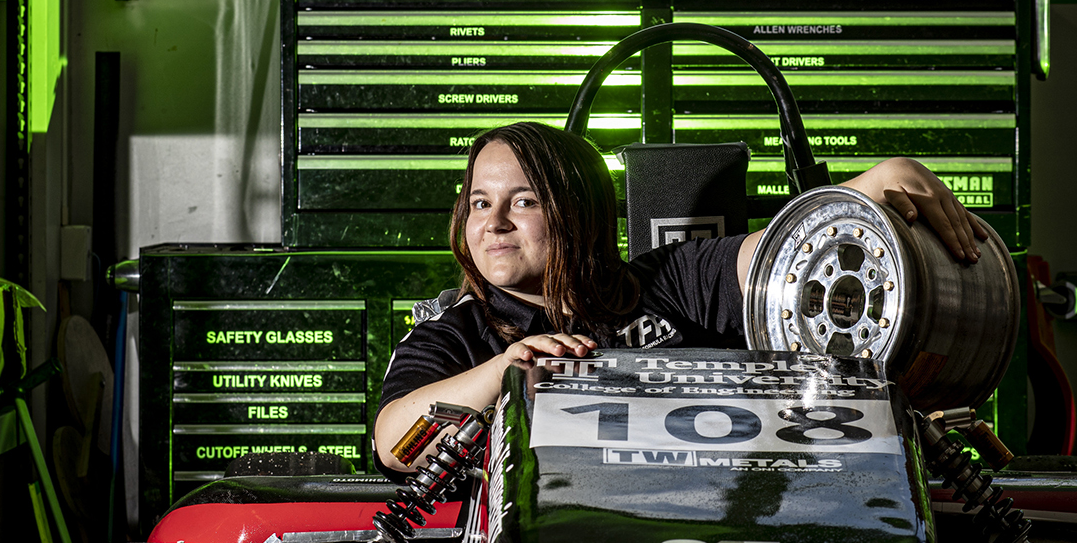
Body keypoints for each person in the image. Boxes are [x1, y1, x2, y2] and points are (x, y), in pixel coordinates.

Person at [374, 122, 986, 475]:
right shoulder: (453, 335)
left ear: (579, 211)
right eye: (481, 202)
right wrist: (503, 373)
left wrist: (870, 185)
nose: (494, 222)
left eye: (524, 200)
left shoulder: (668, 281)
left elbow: (781, 252)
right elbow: (393, 444)